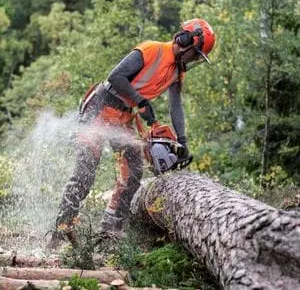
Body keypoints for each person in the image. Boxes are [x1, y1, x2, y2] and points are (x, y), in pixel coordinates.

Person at [48, 18, 215, 248]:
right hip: (101, 106)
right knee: (86, 172)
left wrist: (182, 139)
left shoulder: (178, 72)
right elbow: (115, 76)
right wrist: (141, 101)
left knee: (134, 171)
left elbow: (176, 106)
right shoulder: (152, 50)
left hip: (125, 115)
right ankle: (60, 232)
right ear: (184, 40)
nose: (194, 60)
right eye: (195, 54)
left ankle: (110, 230)